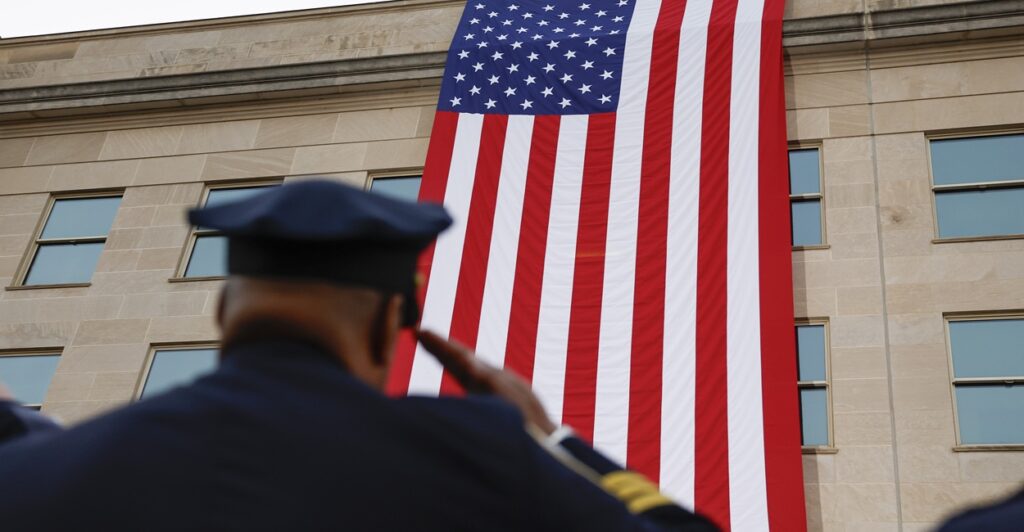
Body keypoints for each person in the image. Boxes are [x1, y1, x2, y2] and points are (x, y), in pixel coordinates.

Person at [0, 180, 717, 531]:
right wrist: (550, 438)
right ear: (386, 325)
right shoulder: (477, 458)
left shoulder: (36, 474)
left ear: (222, 314)